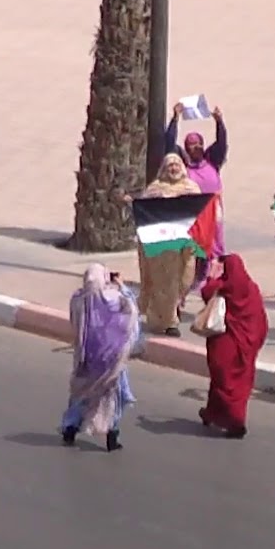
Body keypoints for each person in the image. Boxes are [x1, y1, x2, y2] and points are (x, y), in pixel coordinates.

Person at [61, 264, 139, 451]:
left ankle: (70, 428)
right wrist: (121, 285)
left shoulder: (78, 299)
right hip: (112, 360)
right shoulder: (114, 299)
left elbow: (74, 320)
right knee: (113, 397)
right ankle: (111, 435)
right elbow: (131, 309)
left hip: (86, 359)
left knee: (80, 396)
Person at [198, 254, 269, 439]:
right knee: (239, 384)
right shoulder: (252, 289)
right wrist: (255, 342)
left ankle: (236, 421)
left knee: (222, 381)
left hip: (226, 345)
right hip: (246, 345)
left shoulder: (222, 287)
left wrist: (212, 275)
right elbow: (261, 320)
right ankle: (212, 413)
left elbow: (206, 293)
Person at [130, 153, 201, 336]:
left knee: (185, 279)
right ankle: (168, 322)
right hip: (161, 248)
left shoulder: (191, 188)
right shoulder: (154, 189)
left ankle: (172, 311)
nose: (174, 168)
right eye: (170, 165)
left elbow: (200, 213)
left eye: (177, 164)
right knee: (161, 283)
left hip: (183, 246)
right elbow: (145, 212)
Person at [165, 103, 228, 285]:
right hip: (193, 215)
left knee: (214, 248)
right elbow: (169, 145)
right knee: (194, 249)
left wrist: (219, 122)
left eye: (199, 144)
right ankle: (192, 279)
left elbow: (222, 144)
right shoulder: (183, 165)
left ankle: (212, 278)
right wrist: (175, 118)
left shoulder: (212, 161)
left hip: (214, 213)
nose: (197, 147)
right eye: (192, 145)